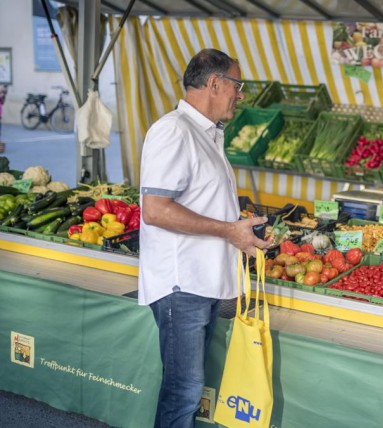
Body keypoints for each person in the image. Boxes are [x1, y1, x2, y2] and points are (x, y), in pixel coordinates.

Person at [138, 48, 271, 428]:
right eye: (237, 85)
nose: (240, 94)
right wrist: (229, 230)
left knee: (188, 390)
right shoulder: (173, 130)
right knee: (183, 391)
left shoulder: (207, 134)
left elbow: (200, 202)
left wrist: (241, 227)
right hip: (183, 286)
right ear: (215, 83)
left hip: (204, 282)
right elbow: (156, 210)